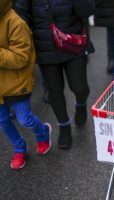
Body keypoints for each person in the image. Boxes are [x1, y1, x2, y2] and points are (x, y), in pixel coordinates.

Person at [14, 0, 95, 149]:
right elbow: (20, 12)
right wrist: (29, 31)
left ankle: (81, 103)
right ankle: (64, 126)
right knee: (54, 91)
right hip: (45, 45)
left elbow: (88, 11)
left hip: (73, 43)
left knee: (80, 87)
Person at [0, 0, 52, 170]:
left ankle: (43, 132)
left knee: (24, 119)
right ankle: (19, 147)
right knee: (2, 121)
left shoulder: (16, 22)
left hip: (17, 82)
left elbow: (21, 57)